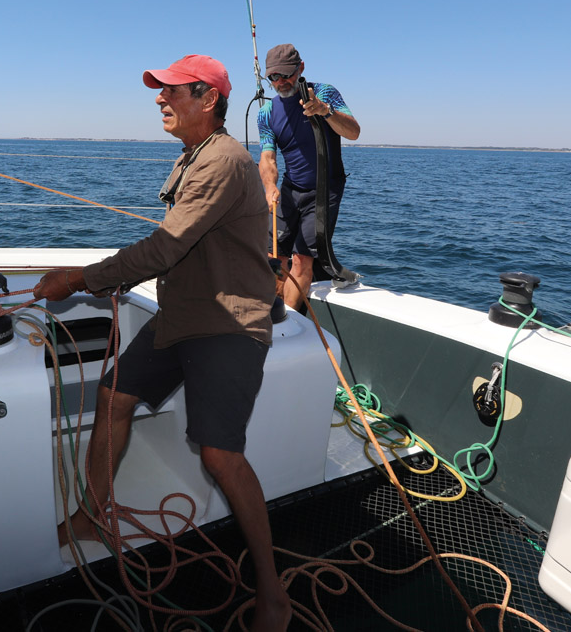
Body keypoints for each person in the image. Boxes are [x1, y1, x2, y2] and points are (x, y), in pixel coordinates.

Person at [33, 54, 292, 631]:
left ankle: (274, 593)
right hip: (185, 312)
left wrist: (77, 279)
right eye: (161, 90)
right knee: (113, 395)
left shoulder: (223, 160)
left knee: (220, 454)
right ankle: (91, 515)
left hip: (229, 321)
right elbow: (175, 248)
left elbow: (164, 247)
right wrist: (104, 275)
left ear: (209, 99)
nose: (160, 99)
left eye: (173, 90)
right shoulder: (194, 156)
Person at [256, 43, 360, 311]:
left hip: (324, 190)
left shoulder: (324, 93)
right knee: (273, 257)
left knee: (302, 260)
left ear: (301, 68)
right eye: (273, 77)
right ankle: (272, 315)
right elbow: (268, 157)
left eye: (286, 74)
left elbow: (353, 132)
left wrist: (325, 111)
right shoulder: (266, 113)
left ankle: (288, 322)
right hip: (290, 189)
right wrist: (269, 186)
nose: (280, 82)